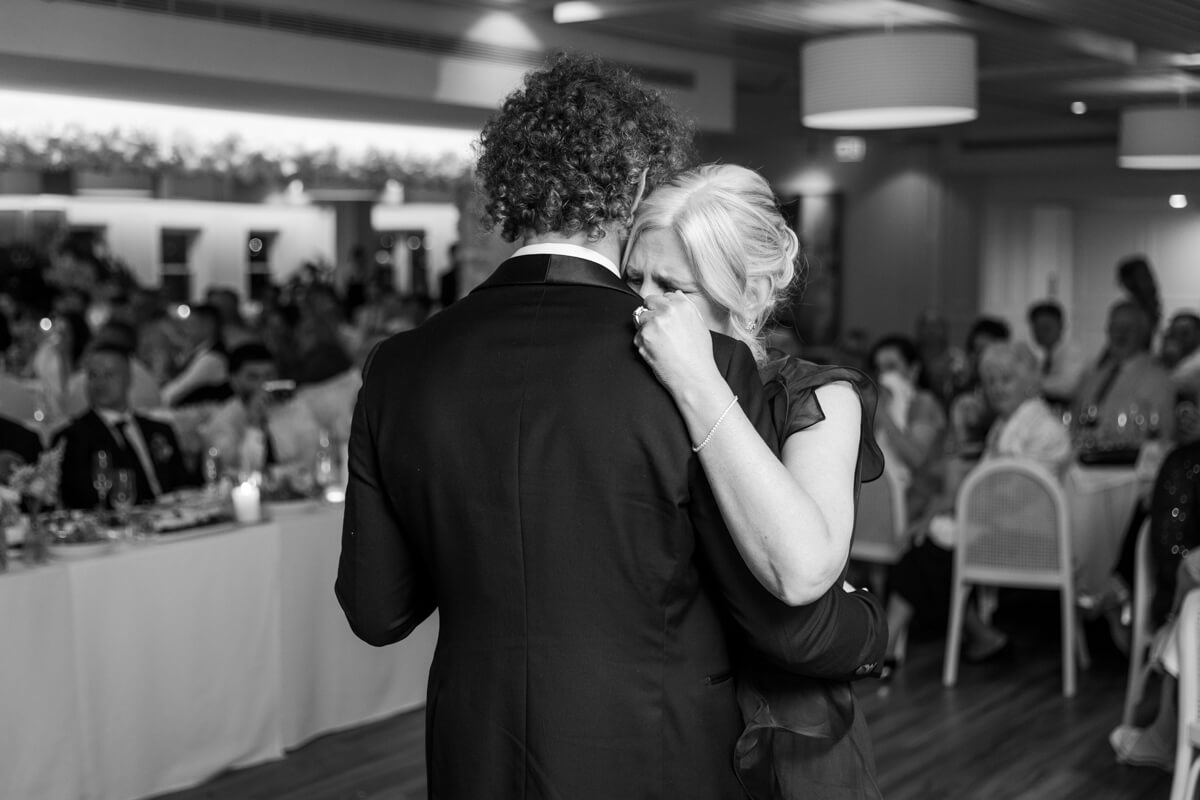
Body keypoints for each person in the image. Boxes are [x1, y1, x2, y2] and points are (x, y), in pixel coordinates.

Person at [336, 53, 886, 800]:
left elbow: (377, 611)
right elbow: (777, 615)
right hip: (656, 755)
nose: (653, 299)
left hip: (474, 754)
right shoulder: (698, 365)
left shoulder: (399, 365)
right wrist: (869, 628)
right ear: (633, 184)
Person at [623, 162, 886, 799]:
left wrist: (697, 379)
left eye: (672, 287)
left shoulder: (818, 399)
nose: (643, 305)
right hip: (656, 714)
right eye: (633, 280)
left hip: (783, 727)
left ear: (748, 291)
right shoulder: (623, 386)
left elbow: (800, 571)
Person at [884, 341, 1073, 669]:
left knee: (931, 549)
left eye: (1006, 380)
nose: (997, 388)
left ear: (1029, 382)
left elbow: (1011, 495)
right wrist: (940, 511)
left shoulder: (1045, 429)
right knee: (925, 545)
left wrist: (946, 512)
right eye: (991, 381)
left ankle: (891, 642)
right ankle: (977, 637)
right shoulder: (1003, 426)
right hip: (998, 528)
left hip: (1033, 539)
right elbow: (986, 489)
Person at [55, 343, 193, 509]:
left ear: (128, 378)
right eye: (93, 375)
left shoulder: (159, 430)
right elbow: (81, 499)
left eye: (109, 374)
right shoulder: (72, 437)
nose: (100, 383)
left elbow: (184, 485)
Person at [200, 342, 319, 475]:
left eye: (269, 376)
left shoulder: (294, 409)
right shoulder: (222, 422)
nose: (263, 385)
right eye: (253, 377)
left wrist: (275, 474)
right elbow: (239, 472)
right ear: (234, 381)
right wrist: (254, 425)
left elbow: (314, 460)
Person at [868, 334, 948, 524]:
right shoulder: (880, 403)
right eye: (879, 369)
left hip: (917, 506)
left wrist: (882, 414)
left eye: (891, 367)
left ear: (913, 370)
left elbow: (916, 457)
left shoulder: (924, 402)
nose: (884, 376)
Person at [1072, 299, 1176, 444]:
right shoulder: (1093, 376)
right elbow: (1075, 423)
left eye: (1128, 329)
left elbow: (1162, 437)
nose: (1120, 335)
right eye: (1115, 328)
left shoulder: (1159, 380)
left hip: (1128, 457)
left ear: (1142, 334)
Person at [161, 303, 230, 408]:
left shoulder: (212, 359)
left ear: (209, 325)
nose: (186, 330)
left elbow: (176, 391)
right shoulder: (198, 353)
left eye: (191, 324)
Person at [1026, 299, 1086, 408]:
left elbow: (1068, 387)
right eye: (1037, 328)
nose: (1041, 333)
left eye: (1046, 328)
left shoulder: (1073, 352)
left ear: (1061, 326)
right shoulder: (1043, 356)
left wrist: (1031, 382)